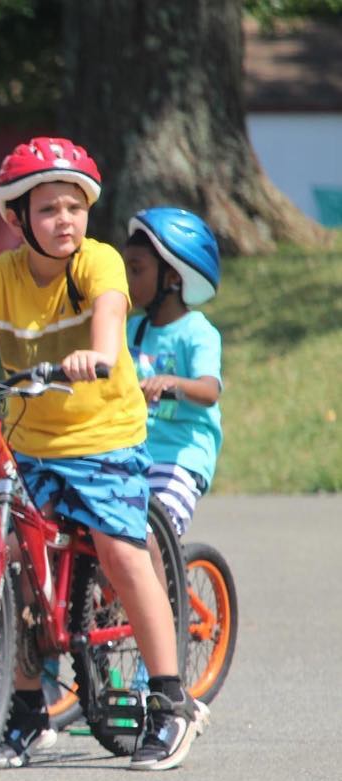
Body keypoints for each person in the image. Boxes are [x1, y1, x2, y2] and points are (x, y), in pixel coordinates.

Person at [0, 137, 207, 772]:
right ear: (17, 218)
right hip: (31, 447)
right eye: (50, 209)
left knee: (118, 551)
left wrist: (100, 352)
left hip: (103, 436)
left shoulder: (97, 262)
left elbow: (111, 309)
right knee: (20, 568)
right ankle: (27, 710)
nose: (65, 221)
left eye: (75, 207)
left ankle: (171, 701)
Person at [123, 207, 223, 538]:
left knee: (151, 537)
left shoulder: (196, 331)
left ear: (173, 277)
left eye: (136, 270)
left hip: (180, 457)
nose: (126, 280)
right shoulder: (132, 329)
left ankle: (161, 591)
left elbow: (209, 391)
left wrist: (172, 382)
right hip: (133, 453)